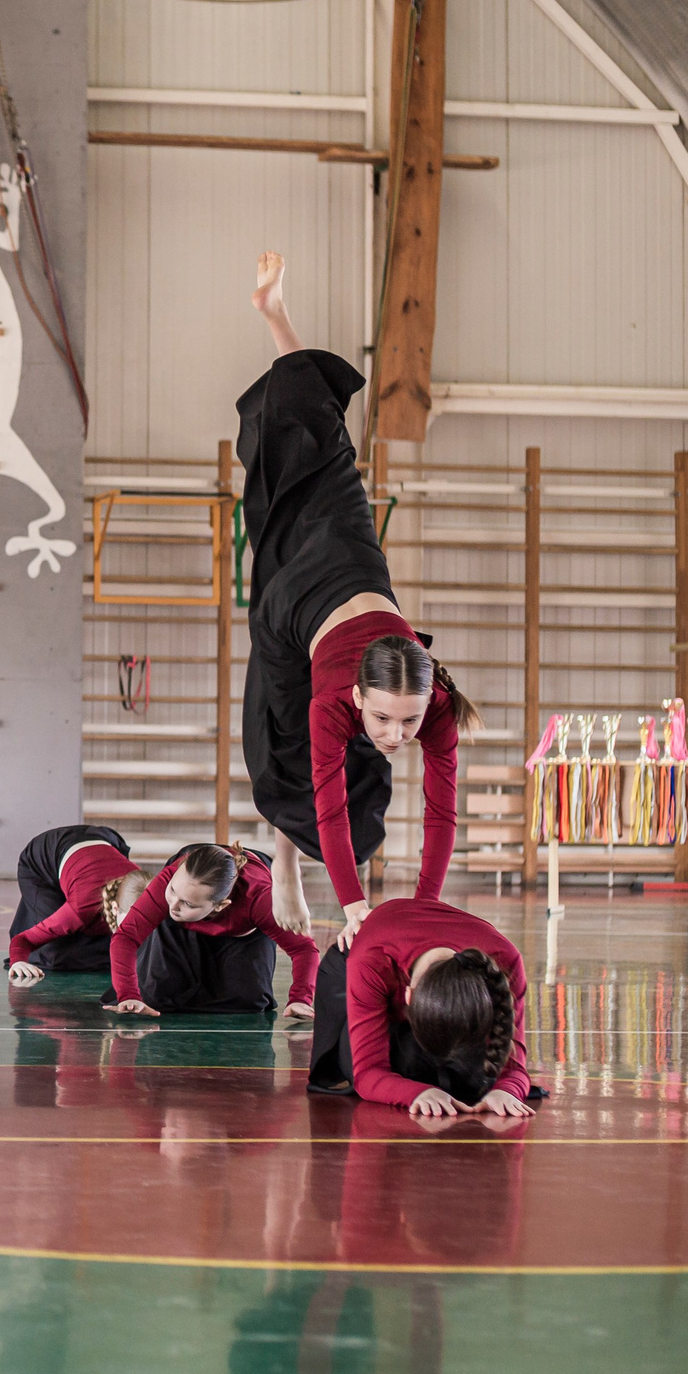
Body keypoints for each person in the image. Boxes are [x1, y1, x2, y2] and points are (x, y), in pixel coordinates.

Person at [239, 251, 476, 935]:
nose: (399, 735)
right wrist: (352, 907)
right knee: (283, 743)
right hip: (292, 607)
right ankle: (284, 856)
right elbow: (329, 799)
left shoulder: (432, 702)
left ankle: (275, 314)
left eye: (407, 722)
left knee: (371, 789)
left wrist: (427, 904)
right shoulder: (330, 703)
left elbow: (441, 810)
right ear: (356, 696)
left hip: (348, 571)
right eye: (386, 720)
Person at [306, 896, 535, 1117]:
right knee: (398, 1064)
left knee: (469, 1075)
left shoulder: (505, 960)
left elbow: (515, 1067)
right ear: (407, 997)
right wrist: (417, 1093)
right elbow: (367, 1071)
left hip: (419, 962)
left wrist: (505, 1091)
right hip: (353, 970)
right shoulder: (372, 960)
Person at [100, 843, 319, 1018]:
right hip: (188, 908)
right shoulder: (170, 884)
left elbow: (304, 949)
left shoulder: (259, 900)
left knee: (249, 1001)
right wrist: (128, 995)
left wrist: (300, 999)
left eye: (187, 903)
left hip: (242, 928)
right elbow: (125, 937)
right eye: (173, 891)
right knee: (156, 995)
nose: (173, 905)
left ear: (221, 906)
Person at [5, 823, 142, 982]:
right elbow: (24, 939)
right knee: (54, 955)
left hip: (104, 839)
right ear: (116, 908)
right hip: (44, 857)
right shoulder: (81, 909)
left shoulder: (156, 899)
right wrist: (18, 961)